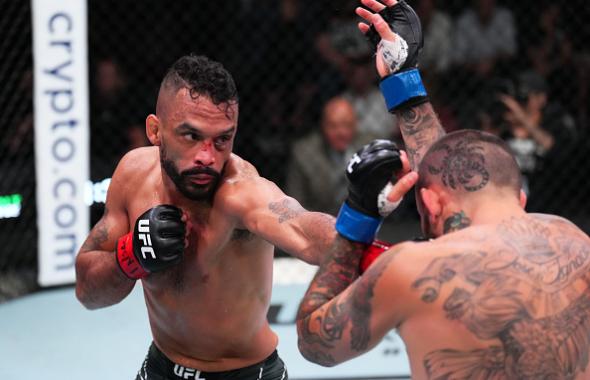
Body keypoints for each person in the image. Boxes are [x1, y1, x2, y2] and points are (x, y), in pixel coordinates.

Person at [296, 1, 590, 379]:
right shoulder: (576, 245)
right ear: (520, 198)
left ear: (430, 205)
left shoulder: (412, 271)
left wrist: (358, 216)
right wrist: (403, 81)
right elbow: (447, 181)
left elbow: (316, 343)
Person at [75, 54, 344, 379]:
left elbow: (306, 233)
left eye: (222, 140)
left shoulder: (241, 193)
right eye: (191, 136)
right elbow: (87, 292)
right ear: (155, 130)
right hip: (161, 367)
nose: (207, 157)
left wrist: (367, 223)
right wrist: (130, 255)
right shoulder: (133, 176)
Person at [286, 96, 375, 216]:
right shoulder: (303, 153)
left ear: (355, 125)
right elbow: (294, 202)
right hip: (317, 220)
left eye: (347, 125)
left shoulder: (370, 147)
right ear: (323, 126)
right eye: (333, 126)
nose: (341, 133)